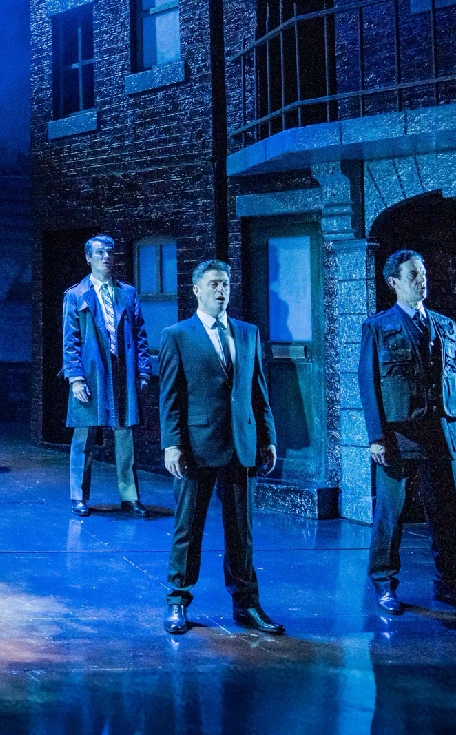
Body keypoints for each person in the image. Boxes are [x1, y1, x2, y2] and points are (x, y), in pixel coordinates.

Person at [359, 249, 456, 614]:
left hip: (441, 431)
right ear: (394, 282)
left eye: (423, 273)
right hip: (399, 434)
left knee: (447, 511)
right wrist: (376, 437)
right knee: (391, 513)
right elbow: (368, 384)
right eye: (413, 275)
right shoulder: (378, 327)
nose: (421, 280)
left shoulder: (445, 325)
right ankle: (384, 583)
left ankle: (449, 583)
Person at [158, 259, 282, 636]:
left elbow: (258, 392)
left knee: (241, 531)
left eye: (225, 283)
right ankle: (177, 600)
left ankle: (247, 604)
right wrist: (172, 444)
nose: (220, 290)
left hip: (241, 446)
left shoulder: (247, 333)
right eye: (213, 284)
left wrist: (268, 438)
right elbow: (170, 397)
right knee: (188, 528)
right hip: (196, 447)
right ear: (196, 289)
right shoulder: (177, 335)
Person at [62, 235, 154, 518]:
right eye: (100, 253)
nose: (106, 257)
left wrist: (143, 370)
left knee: (125, 434)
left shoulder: (127, 293)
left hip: (122, 371)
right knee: (84, 434)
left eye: (110, 253)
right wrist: (75, 378)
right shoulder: (77, 294)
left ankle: (129, 495)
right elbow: (70, 340)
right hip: (91, 372)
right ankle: (79, 495)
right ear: (88, 257)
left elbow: (139, 335)